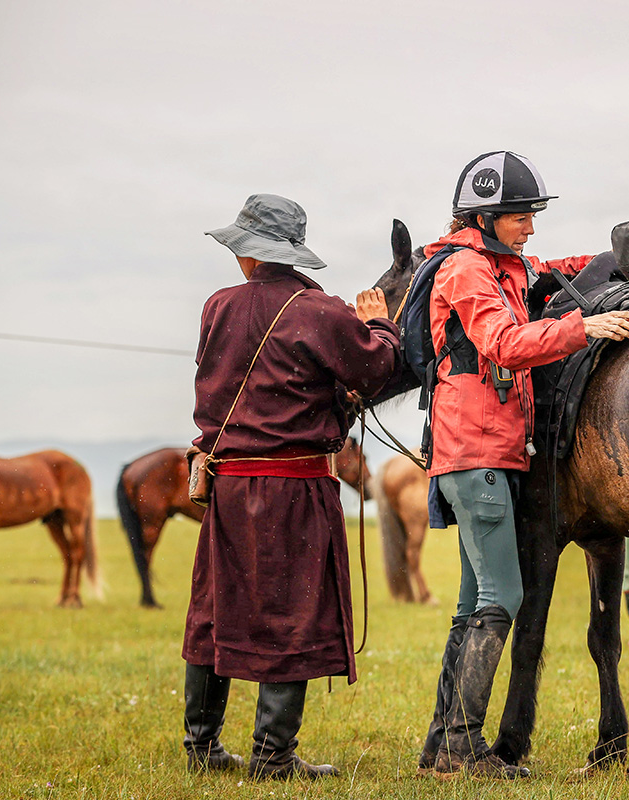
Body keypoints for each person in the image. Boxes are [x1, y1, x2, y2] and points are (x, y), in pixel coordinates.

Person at [417, 151, 629, 779]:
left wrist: (620, 255)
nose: (530, 228)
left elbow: (556, 267)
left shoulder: (505, 267)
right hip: (477, 455)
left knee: (471, 604)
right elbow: (502, 345)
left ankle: (441, 748)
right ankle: (463, 751)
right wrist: (583, 326)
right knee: (503, 595)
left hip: (482, 455)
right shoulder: (465, 270)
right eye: (520, 216)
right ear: (486, 217)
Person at [183, 194, 400, 780]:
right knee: (293, 613)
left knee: (214, 609)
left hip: (227, 485)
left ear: (249, 254)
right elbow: (375, 370)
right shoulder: (322, 311)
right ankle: (272, 758)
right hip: (293, 487)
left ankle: (201, 750)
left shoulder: (216, 306)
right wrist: (379, 322)